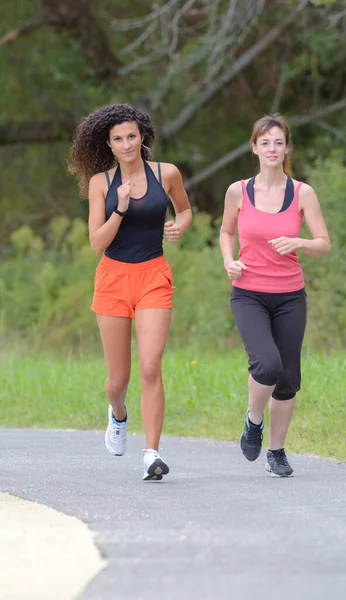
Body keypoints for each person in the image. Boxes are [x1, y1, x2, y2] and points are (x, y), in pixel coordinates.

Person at [67, 103, 192, 481]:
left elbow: (185, 210)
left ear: (143, 137)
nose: (126, 144)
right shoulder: (100, 184)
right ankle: (118, 415)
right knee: (118, 379)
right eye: (118, 139)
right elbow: (96, 242)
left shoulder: (165, 173)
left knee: (151, 367)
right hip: (113, 278)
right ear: (108, 143)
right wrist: (119, 209)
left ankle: (152, 454)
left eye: (132, 136)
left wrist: (178, 225)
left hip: (154, 274)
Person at [219, 113, 331, 477]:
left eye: (278, 142)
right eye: (264, 142)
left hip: (289, 296)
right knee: (267, 363)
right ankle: (253, 421)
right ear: (254, 147)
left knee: (288, 377)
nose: (272, 148)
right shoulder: (238, 191)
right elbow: (225, 232)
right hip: (248, 293)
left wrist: (299, 241)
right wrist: (228, 261)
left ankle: (277, 452)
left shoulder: (302, 193)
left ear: (286, 148)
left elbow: (323, 244)